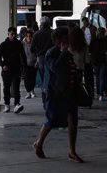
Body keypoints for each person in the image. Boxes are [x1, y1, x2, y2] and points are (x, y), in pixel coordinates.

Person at [33, 27, 84, 163]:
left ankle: (72, 151)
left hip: (69, 92)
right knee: (52, 119)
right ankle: (39, 142)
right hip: (54, 93)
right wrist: (62, 53)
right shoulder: (51, 53)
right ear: (57, 40)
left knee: (73, 121)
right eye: (64, 38)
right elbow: (54, 68)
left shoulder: (67, 53)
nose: (67, 41)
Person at [0, 26, 26, 113]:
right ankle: (7, 104)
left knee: (16, 88)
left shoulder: (19, 44)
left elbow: (23, 56)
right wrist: (2, 65)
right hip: (6, 70)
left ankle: (17, 104)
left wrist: (23, 67)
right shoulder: (3, 45)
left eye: (14, 34)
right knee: (6, 88)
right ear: (8, 34)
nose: (13, 36)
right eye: (11, 34)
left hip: (16, 69)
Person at [90, 27, 107, 101]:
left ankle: (99, 92)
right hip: (104, 61)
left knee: (97, 77)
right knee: (102, 77)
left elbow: (90, 50)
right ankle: (101, 93)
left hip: (95, 61)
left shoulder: (94, 40)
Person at [22, 30, 37, 99]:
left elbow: (37, 53)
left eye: (30, 36)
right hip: (25, 64)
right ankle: (28, 92)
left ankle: (32, 91)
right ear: (25, 36)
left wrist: (37, 61)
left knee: (33, 79)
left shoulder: (34, 44)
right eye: (27, 36)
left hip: (33, 63)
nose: (29, 38)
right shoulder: (22, 44)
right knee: (26, 79)